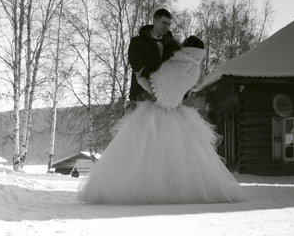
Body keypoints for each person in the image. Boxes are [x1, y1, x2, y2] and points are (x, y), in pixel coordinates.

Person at [79, 34, 249, 204]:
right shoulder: (194, 70)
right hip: (178, 113)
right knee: (182, 155)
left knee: (143, 153)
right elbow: (179, 93)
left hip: (154, 112)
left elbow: (155, 87)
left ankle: (139, 190)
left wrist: (140, 78)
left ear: (186, 48)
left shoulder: (173, 64)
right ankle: (180, 191)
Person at [127, 8, 181, 105]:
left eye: (169, 24)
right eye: (164, 23)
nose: (166, 27)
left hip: (166, 98)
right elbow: (137, 65)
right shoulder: (137, 42)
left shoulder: (174, 46)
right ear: (155, 20)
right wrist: (156, 80)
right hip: (141, 95)